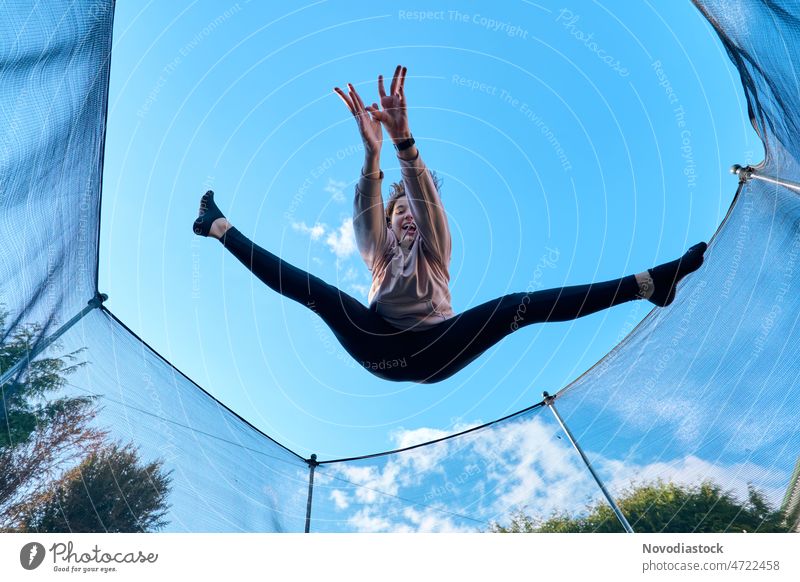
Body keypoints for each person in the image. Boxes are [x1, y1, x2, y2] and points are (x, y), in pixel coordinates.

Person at [193, 65, 706, 384]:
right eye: (400, 215)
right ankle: (218, 228)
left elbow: (425, 201)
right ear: (390, 224)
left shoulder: (436, 250)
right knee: (324, 297)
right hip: (377, 345)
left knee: (514, 308)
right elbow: (368, 210)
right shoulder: (377, 252)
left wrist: (403, 142)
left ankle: (645, 286)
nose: (410, 218)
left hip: (438, 347)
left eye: (414, 212)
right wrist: (371, 153)